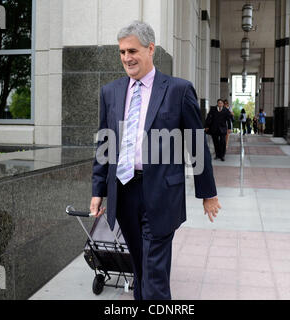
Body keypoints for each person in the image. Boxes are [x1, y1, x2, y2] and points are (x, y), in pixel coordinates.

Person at [90, 21, 221, 300]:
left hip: (161, 194)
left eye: (133, 51)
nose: (127, 58)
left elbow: (196, 144)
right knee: (139, 269)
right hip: (124, 193)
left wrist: (207, 193)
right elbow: (104, 143)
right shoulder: (110, 92)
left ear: (151, 49)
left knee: (155, 276)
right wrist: (97, 191)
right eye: (122, 52)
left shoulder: (178, 90)